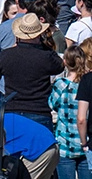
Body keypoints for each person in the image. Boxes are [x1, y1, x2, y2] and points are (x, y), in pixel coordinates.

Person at [0, 13, 64, 131]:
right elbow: (60, 66)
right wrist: (45, 46)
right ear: (39, 34)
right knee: (42, 148)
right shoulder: (46, 56)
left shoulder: (7, 55)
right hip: (39, 111)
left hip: (12, 112)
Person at [49, 47, 85, 179]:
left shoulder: (61, 85)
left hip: (65, 143)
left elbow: (52, 104)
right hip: (85, 142)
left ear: (65, 62)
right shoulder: (86, 83)